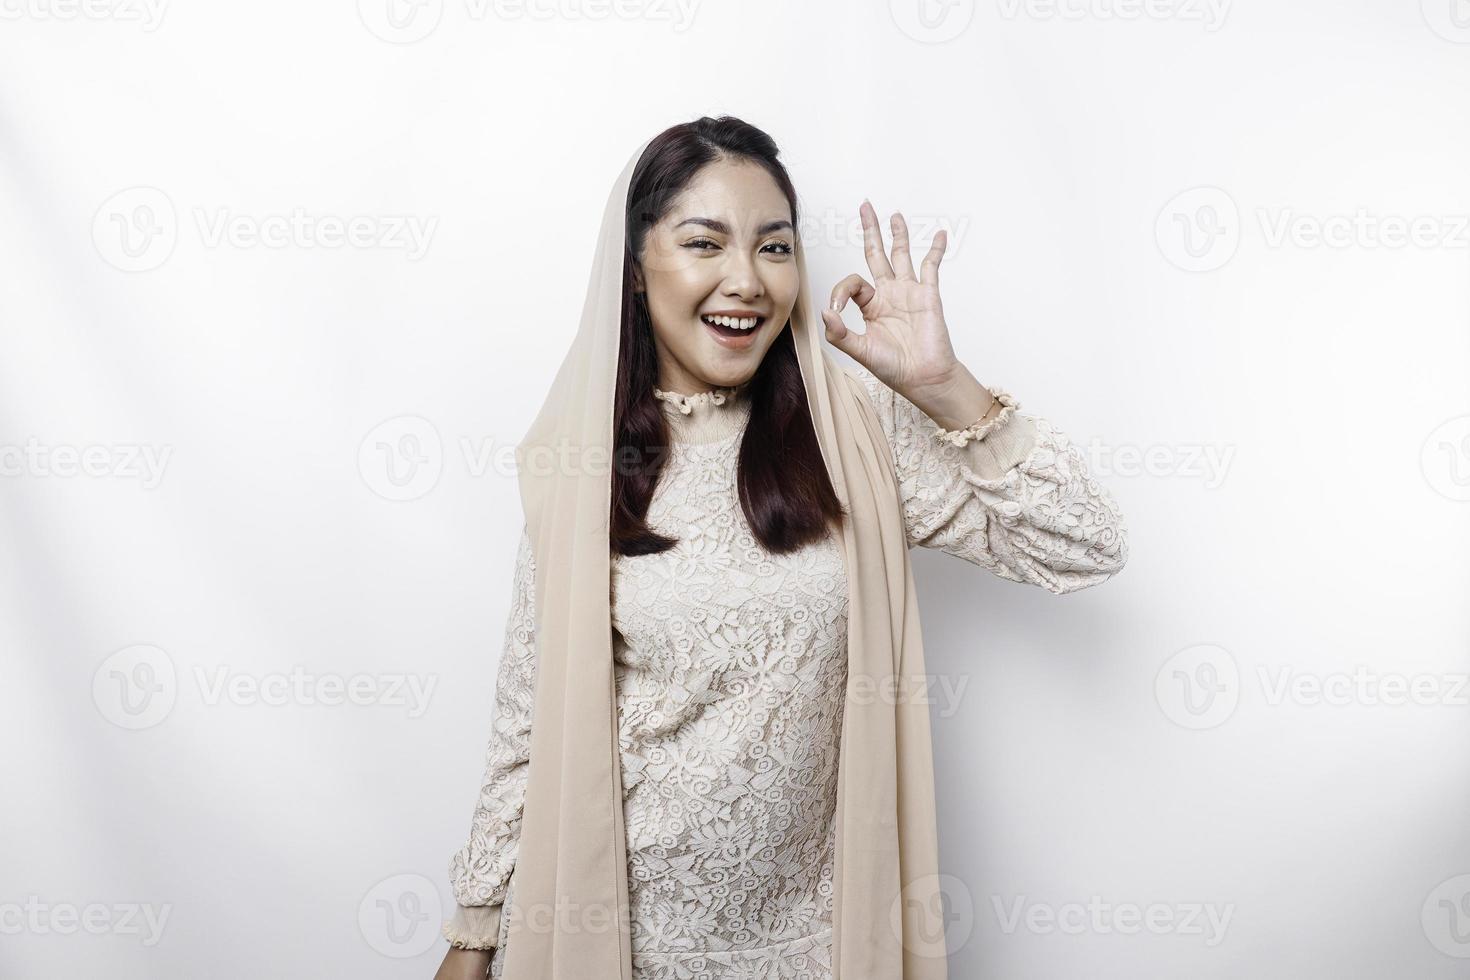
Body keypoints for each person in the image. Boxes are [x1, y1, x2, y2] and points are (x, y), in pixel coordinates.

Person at [433, 115, 1128, 980]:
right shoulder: (582, 459)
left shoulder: (852, 433)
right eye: (703, 243)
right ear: (636, 268)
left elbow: (1081, 547)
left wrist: (944, 388)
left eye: (773, 247)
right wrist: (473, 940)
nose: (746, 281)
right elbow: (527, 728)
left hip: (817, 948)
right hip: (620, 942)